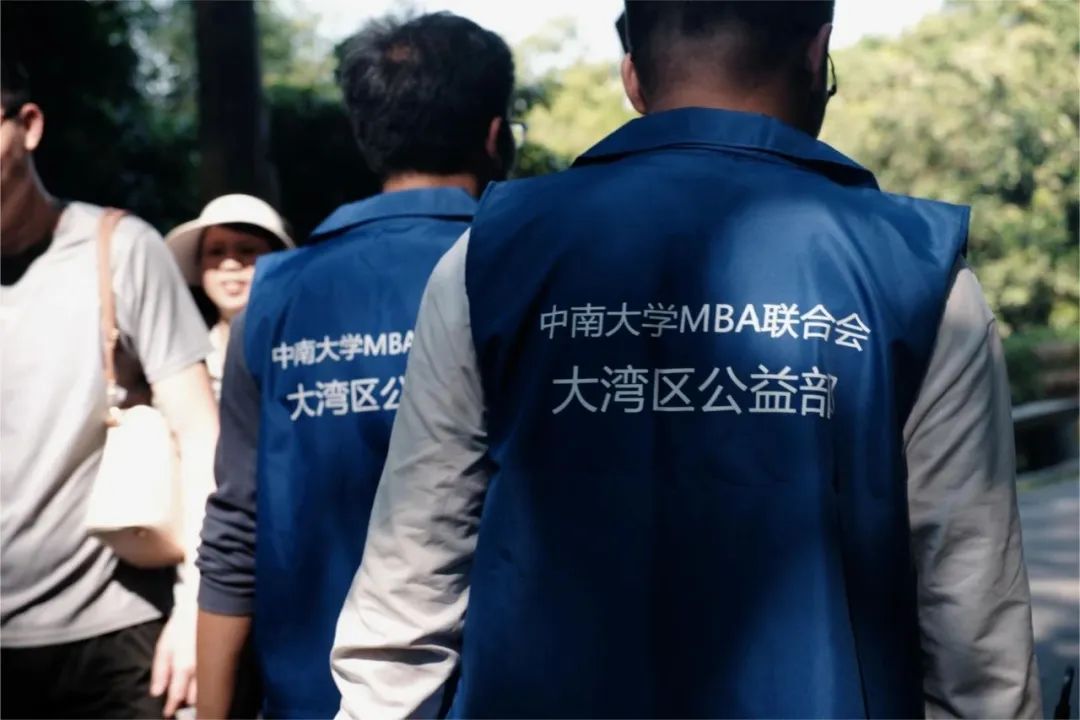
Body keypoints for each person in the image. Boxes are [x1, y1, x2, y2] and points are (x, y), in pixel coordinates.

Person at [331, 2, 1042, 717]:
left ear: (632, 79)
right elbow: (976, 642)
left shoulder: (487, 257)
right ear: (817, 56)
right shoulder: (920, 275)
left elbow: (407, 592)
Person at [194, 13, 516, 718]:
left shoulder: (273, 298)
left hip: (312, 697)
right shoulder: (528, 278)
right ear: (497, 133)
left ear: (365, 134)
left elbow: (235, 532)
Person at [0, 60, 218, 718]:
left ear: (28, 126)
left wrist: (196, 610)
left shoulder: (119, 248)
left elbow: (200, 434)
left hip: (117, 633)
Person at [165, 194, 295, 400]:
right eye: (216, 252)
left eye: (247, 250)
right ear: (199, 265)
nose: (230, 264)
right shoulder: (177, 355)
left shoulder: (303, 347)